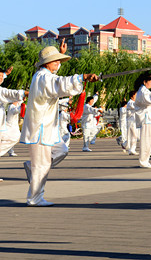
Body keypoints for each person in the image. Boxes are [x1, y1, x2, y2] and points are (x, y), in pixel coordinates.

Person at [20, 41, 98, 206]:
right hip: (40, 127)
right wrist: (82, 77)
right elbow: (58, 83)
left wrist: (65, 63)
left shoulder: (43, 75)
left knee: (61, 150)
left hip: (48, 126)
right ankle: (34, 198)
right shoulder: (43, 77)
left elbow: (56, 80)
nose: (58, 63)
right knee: (42, 165)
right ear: (47, 63)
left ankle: (30, 167)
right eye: (56, 61)